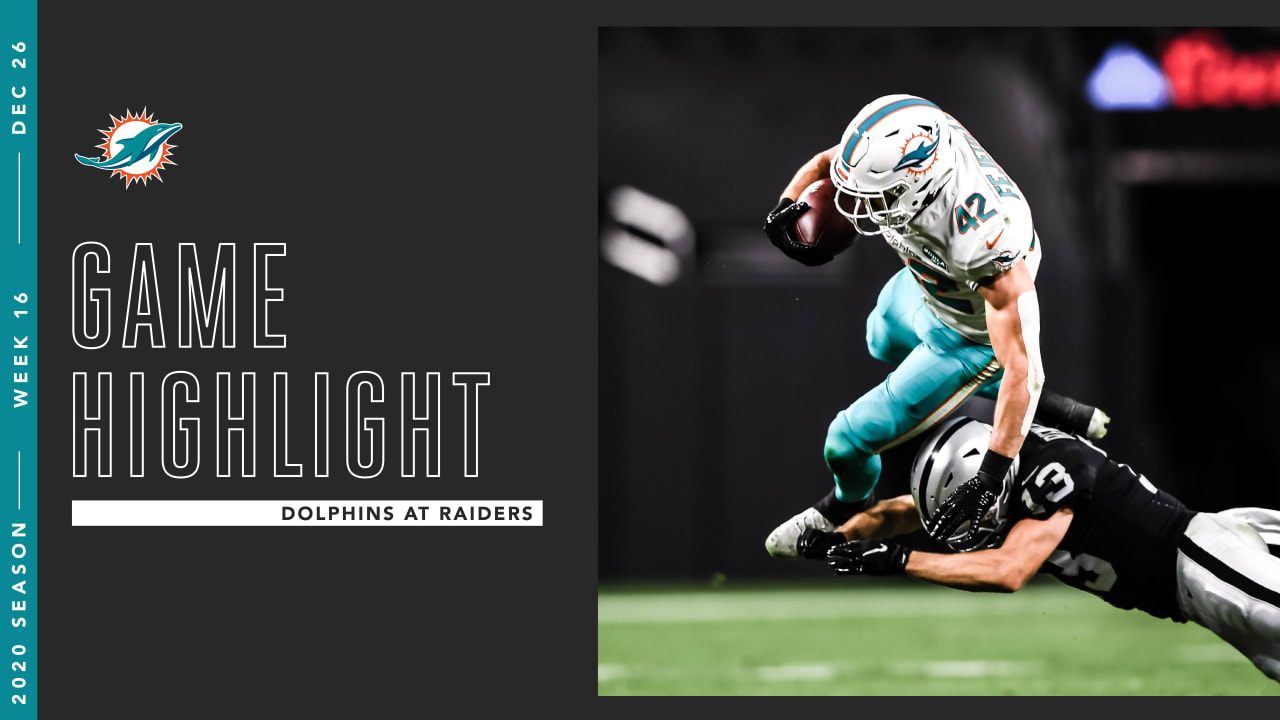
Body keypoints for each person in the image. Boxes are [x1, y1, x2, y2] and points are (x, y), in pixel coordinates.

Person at [763, 94, 1108, 558]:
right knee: (878, 336)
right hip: (929, 289)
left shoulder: (987, 241)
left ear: (918, 191)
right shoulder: (909, 125)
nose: (853, 207)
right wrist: (789, 203)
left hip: (968, 338)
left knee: (843, 444)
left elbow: (1025, 369)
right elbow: (832, 161)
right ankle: (1048, 406)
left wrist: (991, 475)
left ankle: (843, 505)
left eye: (878, 199)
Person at [796, 416, 1280, 682]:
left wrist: (903, 560)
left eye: (971, 511)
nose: (971, 526)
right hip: (1195, 585)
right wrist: (839, 538)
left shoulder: (1051, 470)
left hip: (1199, 560)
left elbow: (1009, 570)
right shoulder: (999, 470)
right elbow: (896, 513)